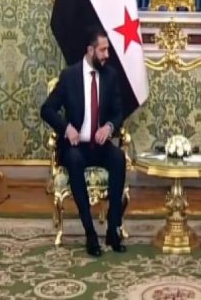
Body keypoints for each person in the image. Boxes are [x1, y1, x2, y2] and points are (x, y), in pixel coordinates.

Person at [40, 26, 127, 257]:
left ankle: (113, 228)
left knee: (119, 158)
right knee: (75, 161)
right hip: (76, 146)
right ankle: (90, 232)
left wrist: (109, 127)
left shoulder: (110, 76)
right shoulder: (70, 76)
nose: (107, 55)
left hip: (100, 145)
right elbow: (46, 109)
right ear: (90, 50)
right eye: (102, 50)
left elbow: (119, 112)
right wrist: (66, 128)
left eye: (107, 50)